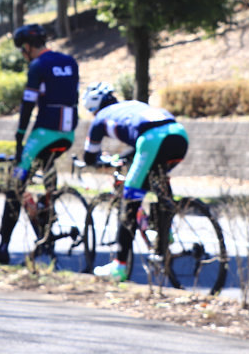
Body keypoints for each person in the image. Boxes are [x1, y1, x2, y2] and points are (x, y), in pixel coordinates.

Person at [0, 23, 80, 264]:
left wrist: (19, 135)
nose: (22, 54)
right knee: (46, 172)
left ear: (27, 47)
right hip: (67, 134)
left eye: (22, 50)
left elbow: (28, 104)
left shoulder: (38, 66)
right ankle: (46, 214)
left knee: (15, 188)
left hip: (43, 134)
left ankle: (2, 248)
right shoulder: (70, 61)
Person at [80, 82, 189, 282]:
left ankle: (119, 267)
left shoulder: (100, 119)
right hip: (178, 133)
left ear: (93, 109)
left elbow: (89, 157)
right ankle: (164, 232)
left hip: (151, 140)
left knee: (130, 197)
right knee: (158, 179)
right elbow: (141, 137)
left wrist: (97, 162)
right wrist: (122, 157)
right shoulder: (131, 105)